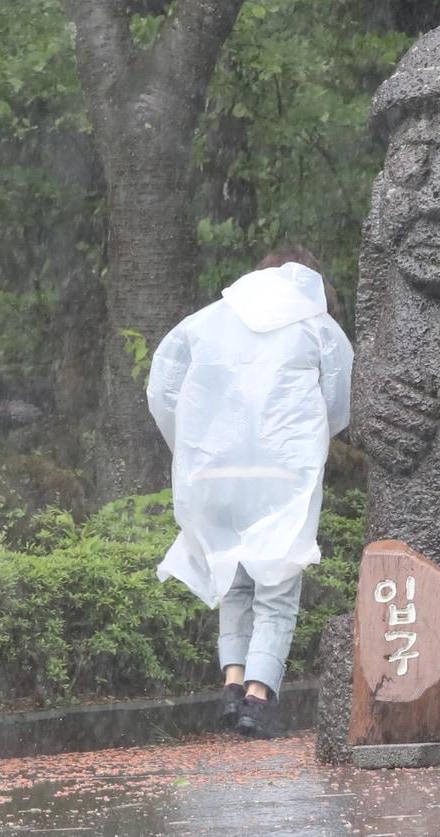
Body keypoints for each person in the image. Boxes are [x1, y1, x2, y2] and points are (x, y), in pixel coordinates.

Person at [147, 246, 353, 736]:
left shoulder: (209, 319)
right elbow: (341, 392)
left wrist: (192, 446)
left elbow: (162, 387)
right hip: (281, 472)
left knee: (235, 579)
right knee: (277, 584)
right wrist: (313, 438)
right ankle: (259, 697)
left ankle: (233, 681)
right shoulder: (314, 324)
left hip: (215, 473)